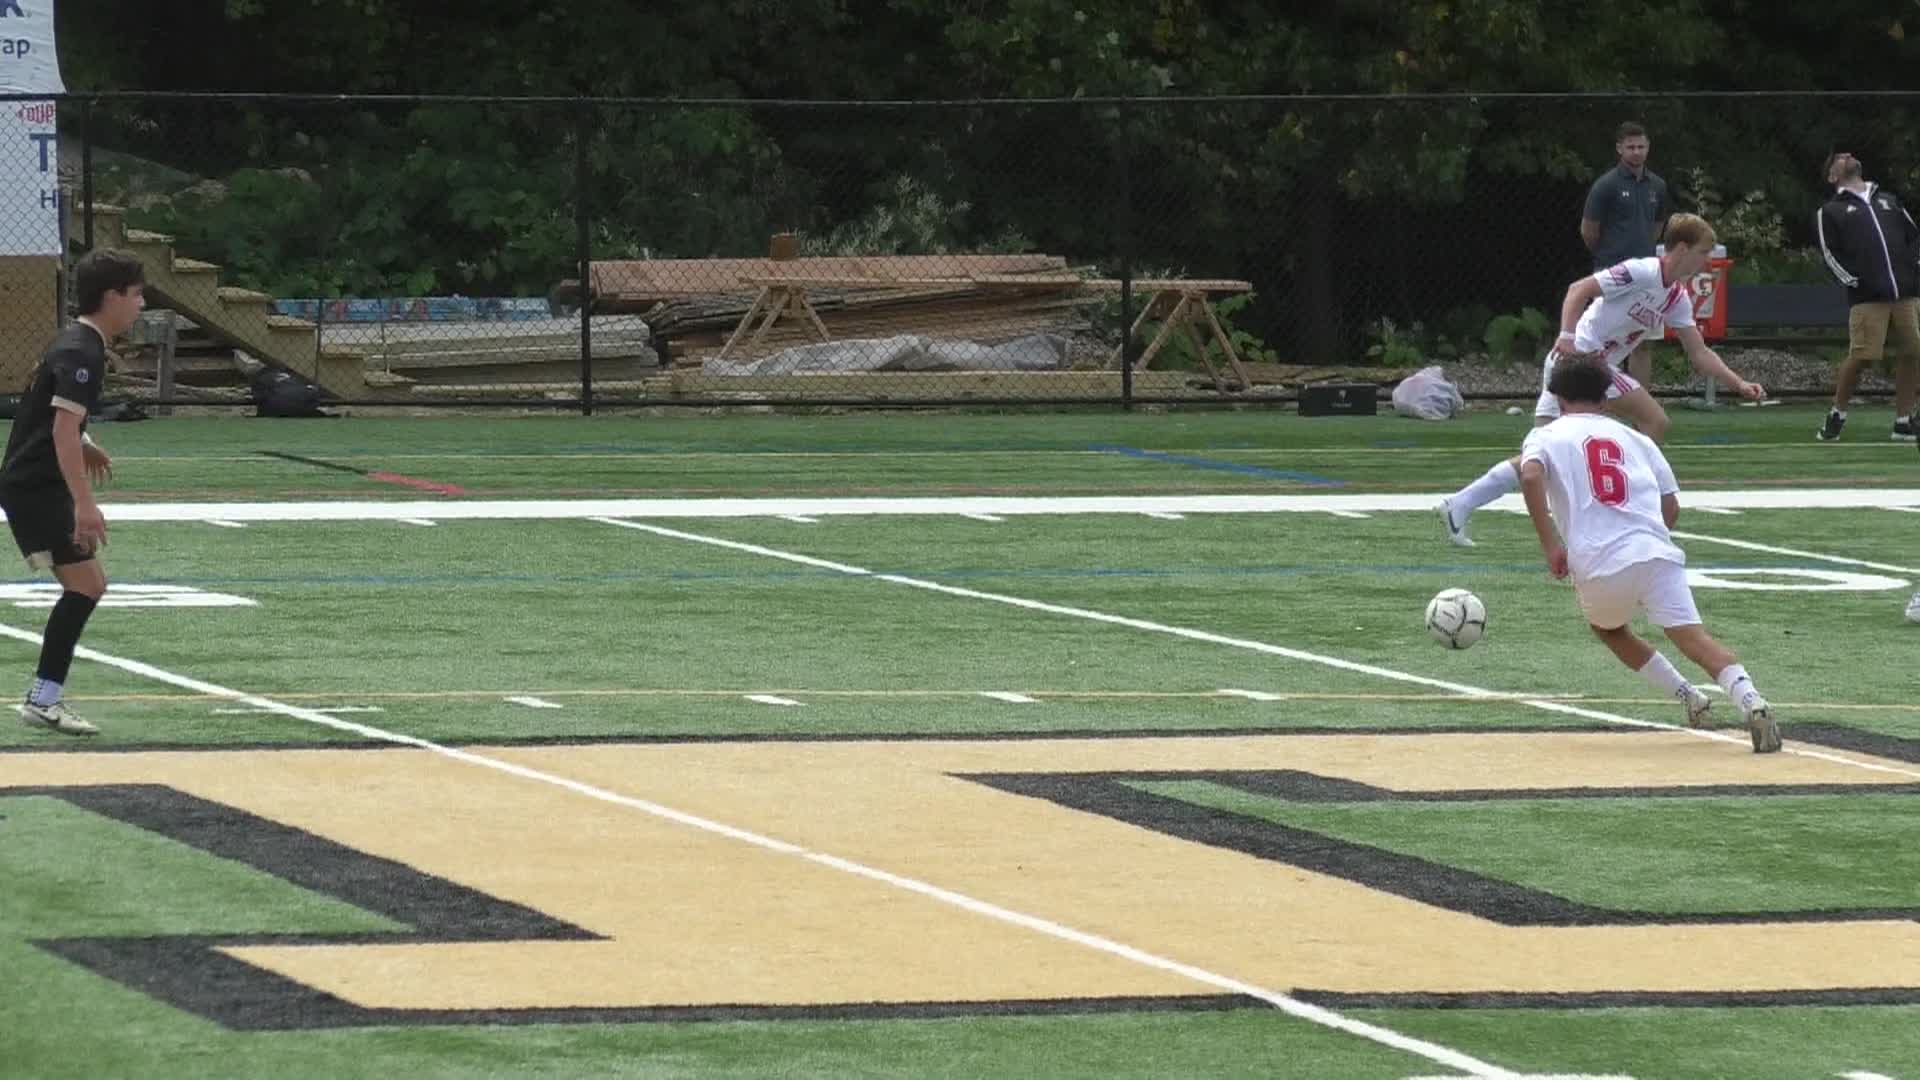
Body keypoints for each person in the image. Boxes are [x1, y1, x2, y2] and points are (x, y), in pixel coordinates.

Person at [1440, 213, 1765, 545]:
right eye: (1703, 253)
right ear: (1681, 249)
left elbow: (1699, 353)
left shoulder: (1676, 297)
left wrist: (1737, 383)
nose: (1707, 261)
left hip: (1600, 369)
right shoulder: (1642, 271)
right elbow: (1578, 290)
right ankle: (1464, 503)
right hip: (1578, 360)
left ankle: (1464, 503)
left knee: (1643, 424)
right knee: (1549, 454)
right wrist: (1567, 336)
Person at [1518, 358, 1780, 754]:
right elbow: (1670, 505)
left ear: (1557, 398)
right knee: (1694, 638)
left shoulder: (1546, 435)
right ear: (1606, 399)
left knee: (1608, 629)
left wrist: (1551, 545)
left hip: (1599, 558)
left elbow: (1531, 475)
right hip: (1657, 551)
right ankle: (1751, 700)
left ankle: (1688, 696)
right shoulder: (1637, 438)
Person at [0, 248, 145, 736]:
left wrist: (85, 441)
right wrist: (85, 504)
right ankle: (43, 700)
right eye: (136, 294)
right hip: (36, 486)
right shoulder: (83, 351)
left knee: (87, 585)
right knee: (86, 585)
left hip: (33, 481)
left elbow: (53, 418)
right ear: (112, 296)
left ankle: (45, 697)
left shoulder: (78, 342)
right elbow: (59, 432)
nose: (140, 304)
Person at [1813, 151, 1920, 442]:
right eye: (1838, 158)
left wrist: (1915, 270)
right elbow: (1830, 254)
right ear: (1833, 176)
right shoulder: (1831, 211)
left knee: (1913, 351)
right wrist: (1854, 281)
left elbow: (1913, 237)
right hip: (1868, 296)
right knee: (1863, 356)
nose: (1847, 156)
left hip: (1906, 293)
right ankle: (1837, 413)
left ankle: (1903, 421)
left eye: (1848, 155)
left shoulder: (1888, 200)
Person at [1582, 122, 1669, 389]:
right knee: (1603, 341)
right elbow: (1588, 230)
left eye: (1641, 146)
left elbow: (1657, 226)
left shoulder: (1657, 185)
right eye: (1630, 147)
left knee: (1643, 343)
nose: (1636, 152)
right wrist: (1609, 254)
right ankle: (1599, 400)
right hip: (1611, 273)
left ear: (1648, 148)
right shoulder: (1605, 185)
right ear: (1619, 148)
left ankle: (1641, 406)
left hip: (1647, 275)